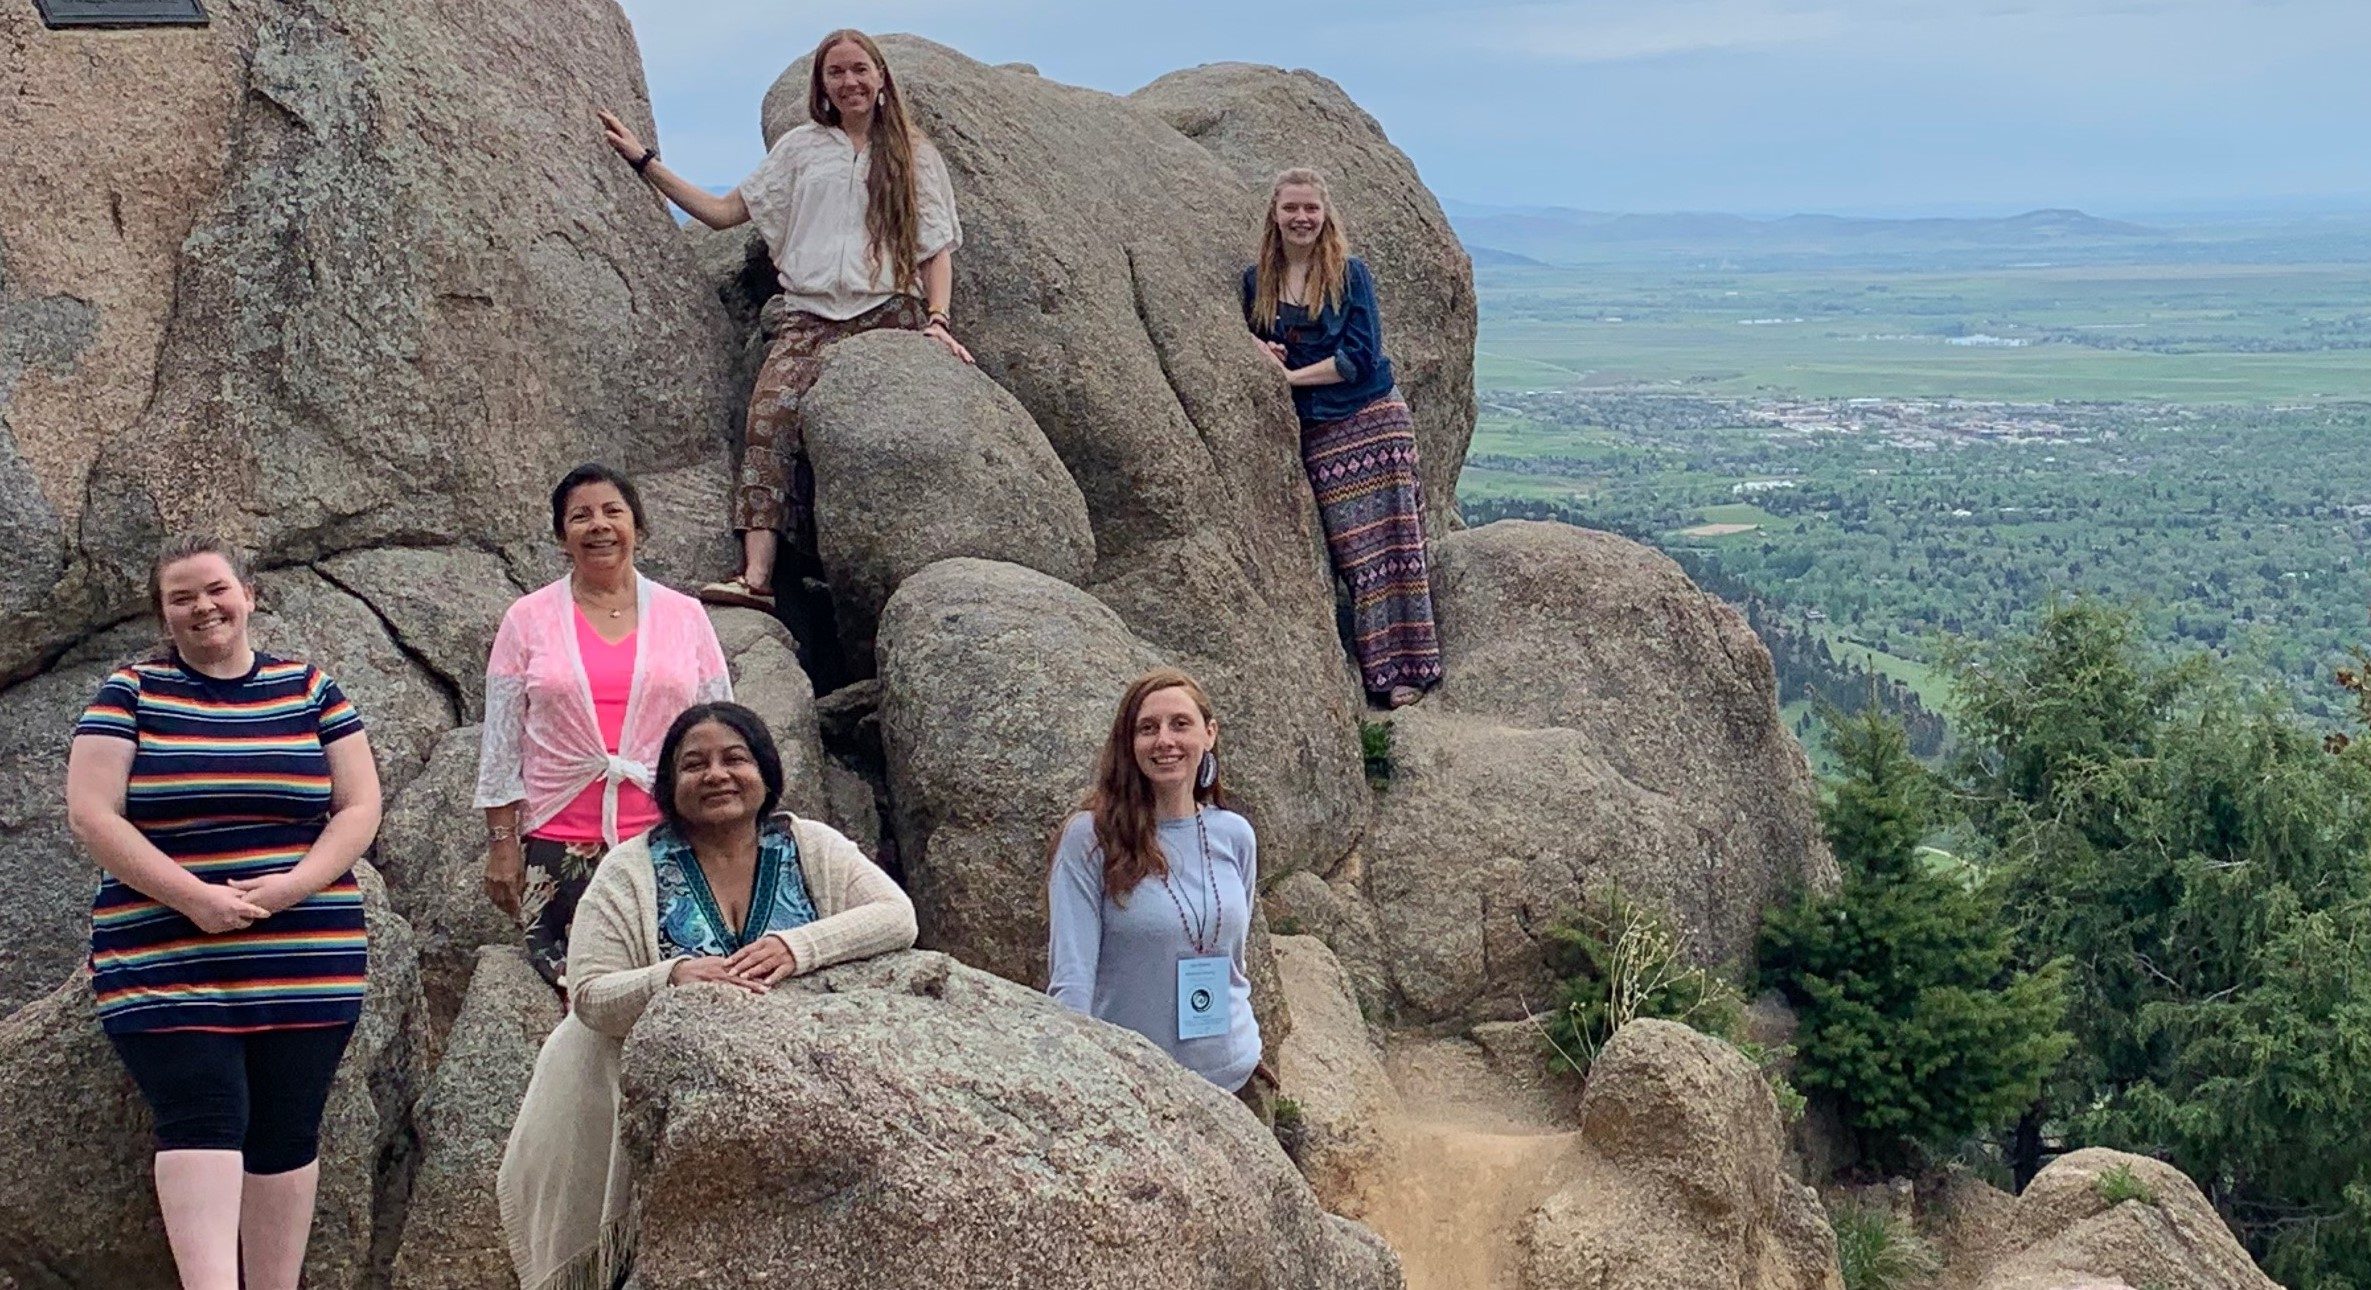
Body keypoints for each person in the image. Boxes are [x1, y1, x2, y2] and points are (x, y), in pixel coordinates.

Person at [497, 702, 917, 1290]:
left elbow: (897, 916)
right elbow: (590, 993)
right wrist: (671, 978)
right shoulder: (630, 869)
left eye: (734, 759)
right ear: (670, 786)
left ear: (765, 771)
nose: (716, 774)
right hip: (617, 1097)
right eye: (694, 764)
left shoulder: (810, 844)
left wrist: (799, 947)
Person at [62, 534, 382, 1290]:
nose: (203, 607)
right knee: (200, 1113)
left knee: (286, 1127)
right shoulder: (129, 692)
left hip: (305, 955)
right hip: (165, 953)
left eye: (215, 589)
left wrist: (289, 887)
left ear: (248, 594)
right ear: (163, 614)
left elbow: (360, 805)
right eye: (182, 597)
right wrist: (194, 899)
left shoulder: (312, 690)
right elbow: (91, 814)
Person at [597, 27, 970, 612]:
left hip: (887, 314)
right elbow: (723, 213)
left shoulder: (916, 154)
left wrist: (939, 320)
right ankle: (757, 577)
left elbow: (935, 248)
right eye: (835, 73)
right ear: (821, 85)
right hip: (809, 317)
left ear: (881, 78)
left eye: (858, 70)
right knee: (766, 425)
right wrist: (644, 161)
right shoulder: (801, 148)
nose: (848, 81)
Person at [476, 463, 733, 999]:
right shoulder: (526, 619)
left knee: (679, 990)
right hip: (558, 844)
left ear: (637, 526)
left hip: (671, 838)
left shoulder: (685, 616)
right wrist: (502, 843)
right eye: (581, 516)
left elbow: (722, 727)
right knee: (579, 999)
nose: (599, 526)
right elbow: (501, 740)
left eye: (613, 512)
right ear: (560, 536)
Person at [1243, 167, 1443, 709]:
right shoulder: (1256, 281)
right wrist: (1262, 352)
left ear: (1325, 213)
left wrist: (1288, 378)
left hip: (1374, 418)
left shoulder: (1349, 275)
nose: (1302, 218)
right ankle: (1376, 670)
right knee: (1356, 554)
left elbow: (1359, 359)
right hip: (1322, 432)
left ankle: (1411, 672)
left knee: (1397, 545)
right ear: (1275, 214)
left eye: (1311, 208)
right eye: (1292, 209)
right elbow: (1256, 339)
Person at [1046, 669, 1268, 1106]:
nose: (1164, 740)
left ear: (1209, 733)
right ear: (1130, 745)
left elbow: (1231, 962)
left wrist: (1243, 1047)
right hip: (1139, 1093)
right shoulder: (1090, 839)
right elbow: (1072, 979)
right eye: (1147, 728)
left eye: (1180, 724)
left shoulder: (1235, 835)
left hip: (1236, 1083)